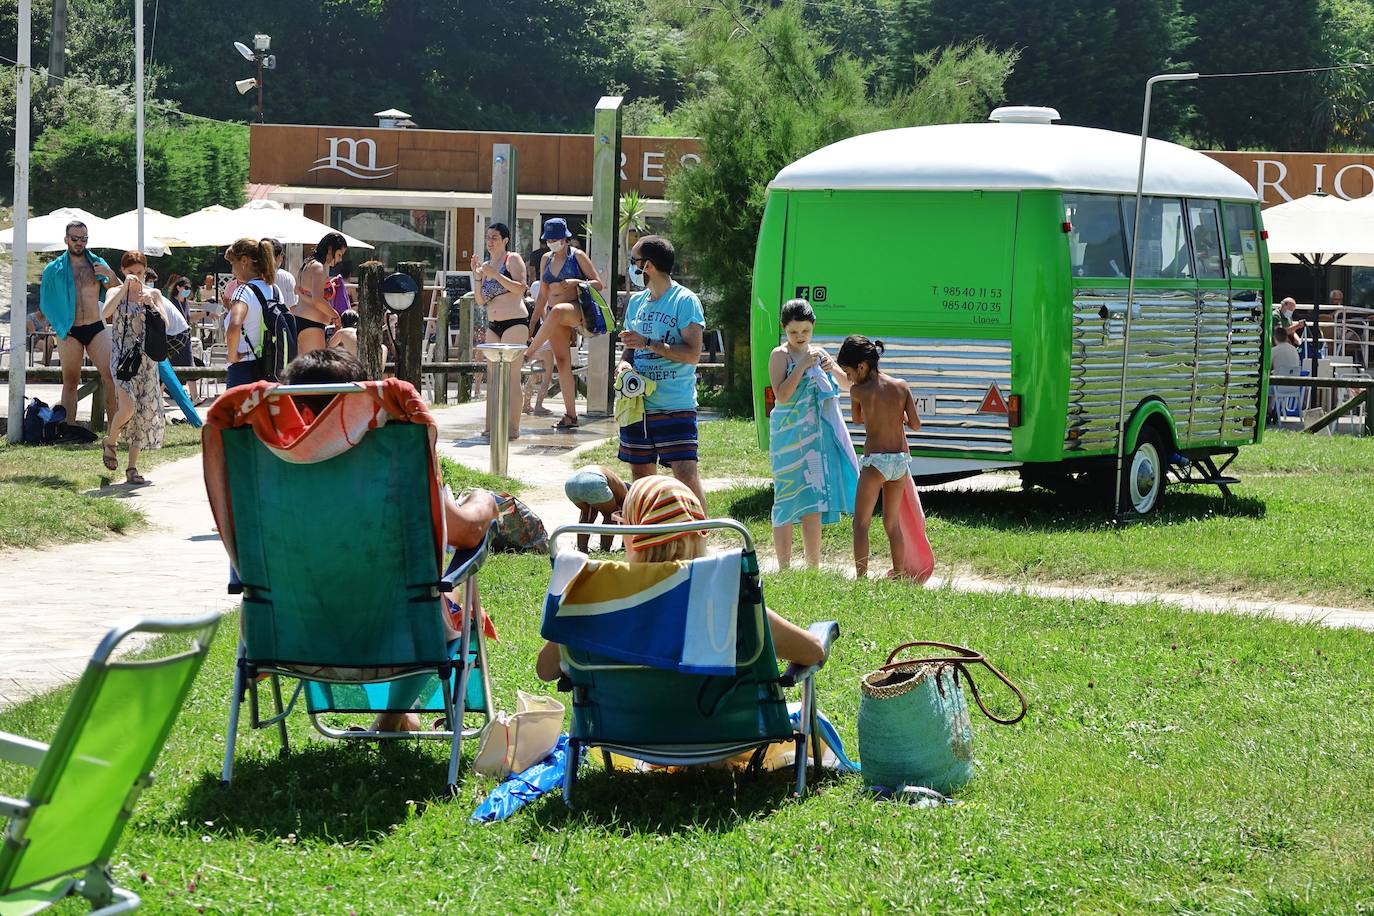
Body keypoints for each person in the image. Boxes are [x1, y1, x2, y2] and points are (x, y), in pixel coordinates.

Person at [277, 348, 499, 731]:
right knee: (444, 595)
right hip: (398, 636)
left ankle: (393, 719)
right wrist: (485, 503)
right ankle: (393, 718)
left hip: (294, 633)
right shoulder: (393, 459)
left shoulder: (269, 473)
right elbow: (464, 532)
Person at [535, 475, 823, 682]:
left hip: (627, 731)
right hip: (721, 735)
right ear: (697, 532)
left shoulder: (597, 595)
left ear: (632, 538)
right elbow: (812, 651)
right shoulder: (725, 595)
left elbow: (545, 671)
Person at [615, 234, 707, 508]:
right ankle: (649, 540)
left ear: (648, 266)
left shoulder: (685, 301)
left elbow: (692, 354)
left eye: (634, 261)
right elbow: (630, 349)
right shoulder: (637, 303)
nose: (630, 267)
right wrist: (624, 365)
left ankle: (700, 535)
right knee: (642, 478)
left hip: (674, 404)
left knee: (685, 476)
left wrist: (649, 343)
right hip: (638, 407)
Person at [767, 298, 853, 570]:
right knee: (785, 498)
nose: (800, 337)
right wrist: (802, 366)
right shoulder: (779, 355)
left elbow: (847, 386)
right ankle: (784, 567)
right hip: (787, 437)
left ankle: (813, 567)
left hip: (814, 438)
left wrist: (831, 367)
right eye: (793, 332)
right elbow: (782, 395)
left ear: (813, 327)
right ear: (784, 328)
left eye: (805, 331)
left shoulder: (819, 352)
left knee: (813, 499)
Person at [836, 335, 921, 579]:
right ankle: (899, 573)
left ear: (862, 366)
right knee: (892, 524)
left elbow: (858, 419)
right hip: (900, 463)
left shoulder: (857, 392)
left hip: (876, 463)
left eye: (849, 372)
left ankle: (862, 578)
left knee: (861, 524)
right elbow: (915, 424)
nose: (849, 377)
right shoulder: (902, 386)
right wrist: (898, 416)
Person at [522, 218, 604, 429]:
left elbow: (599, 284)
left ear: (565, 238)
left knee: (558, 310)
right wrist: (532, 323)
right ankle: (570, 416)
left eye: (555, 238)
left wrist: (577, 282)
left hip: (574, 309)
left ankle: (528, 354)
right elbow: (542, 295)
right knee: (562, 362)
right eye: (548, 239)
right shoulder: (545, 259)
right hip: (552, 314)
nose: (551, 242)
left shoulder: (577, 256)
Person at [37, 220, 118, 424]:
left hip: (95, 327)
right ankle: (68, 429)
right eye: (75, 239)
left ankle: (114, 431)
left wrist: (110, 275)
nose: (79, 243)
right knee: (70, 382)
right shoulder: (53, 269)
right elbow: (46, 301)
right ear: (66, 239)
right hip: (69, 330)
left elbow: (117, 291)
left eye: (83, 239)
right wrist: (58, 324)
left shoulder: (97, 263)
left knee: (111, 377)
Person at [99, 251, 169, 484]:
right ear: (123, 271)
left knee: (142, 413)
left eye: (139, 272)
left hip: (147, 360)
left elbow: (167, 323)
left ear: (145, 271)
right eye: (131, 272)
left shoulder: (154, 293)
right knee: (127, 407)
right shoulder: (114, 292)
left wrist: (152, 305)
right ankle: (111, 440)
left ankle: (132, 468)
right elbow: (105, 313)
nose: (136, 277)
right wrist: (123, 289)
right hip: (122, 357)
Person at [472, 222, 529, 439]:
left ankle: (513, 427)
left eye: (495, 237)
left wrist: (494, 274)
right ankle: (491, 426)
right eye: (488, 237)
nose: (490, 241)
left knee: (512, 377)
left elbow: (519, 288)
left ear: (505, 240)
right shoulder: (486, 265)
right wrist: (478, 277)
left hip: (515, 322)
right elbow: (480, 300)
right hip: (493, 325)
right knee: (493, 377)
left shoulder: (512, 259)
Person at [223, 237, 280, 389]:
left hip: (244, 368)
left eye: (232, 263)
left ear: (244, 261)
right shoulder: (274, 290)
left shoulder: (243, 291)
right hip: (271, 369)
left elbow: (235, 325)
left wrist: (232, 355)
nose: (232, 270)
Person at [294, 232, 348, 354]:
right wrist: (335, 315)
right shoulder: (318, 268)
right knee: (315, 369)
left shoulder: (307, 264)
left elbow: (298, 290)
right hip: (312, 325)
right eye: (339, 254)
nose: (340, 259)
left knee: (304, 369)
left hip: (302, 320)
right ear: (330, 249)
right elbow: (318, 301)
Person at [564, 464, 628, 553]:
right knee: (611, 516)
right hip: (594, 480)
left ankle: (581, 551)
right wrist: (625, 547)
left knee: (588, 515)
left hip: (571, 483)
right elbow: (626, 522)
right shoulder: (626, 495)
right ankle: (605, 551)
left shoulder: (617, 484)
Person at [163, 275, 203, 404]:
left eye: (189, 288)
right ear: (178, 287)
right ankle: (159, 394)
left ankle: (195, 397)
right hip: (174, 339)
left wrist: (207, 314)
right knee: (170, 370)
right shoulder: (171, 303)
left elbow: (188, 319)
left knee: (190, 367)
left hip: (185, 339)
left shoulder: (185, 302)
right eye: (185, 288)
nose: (188, 290)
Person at [522, 280, 553, 416]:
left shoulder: (531, 305)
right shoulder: (548, 303)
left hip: (535, 343)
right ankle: (539, 404)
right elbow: (548, 322)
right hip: (547, 341)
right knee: (546, 376)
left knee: (534, 374)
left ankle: (526, 404)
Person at [269, 238, 297, 310]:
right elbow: (293, 305)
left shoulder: (253, 276)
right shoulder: (287, 277)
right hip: (282, 318)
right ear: (279, 256)